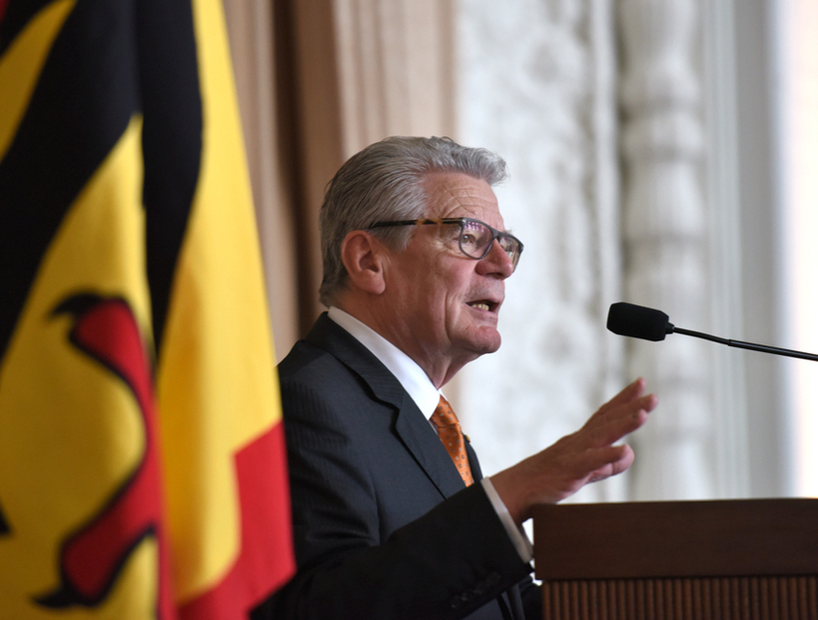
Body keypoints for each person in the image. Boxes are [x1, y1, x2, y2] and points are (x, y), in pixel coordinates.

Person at [254, 136, 657, 620]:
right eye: (469, 236)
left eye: (505, 244)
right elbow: (326, 609)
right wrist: (516, 491)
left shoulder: (428, 420)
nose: (502, 266)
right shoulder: (308, 401)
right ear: (368, 261)